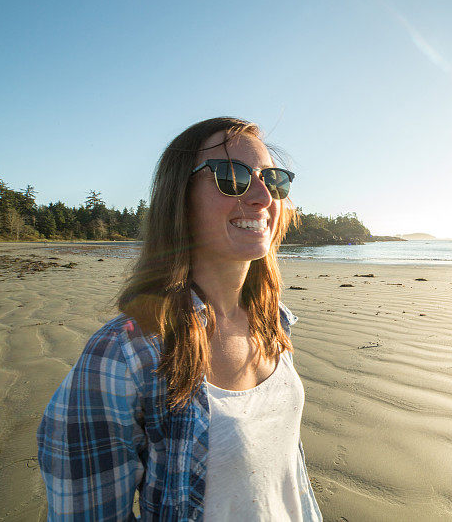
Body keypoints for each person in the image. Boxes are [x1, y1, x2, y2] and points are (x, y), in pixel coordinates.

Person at [37, 117, 323, 521]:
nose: (262, 196)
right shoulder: (122, 357)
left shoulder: (273, 321)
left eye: (273, 180)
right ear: (180, 198)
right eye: (231, 176)